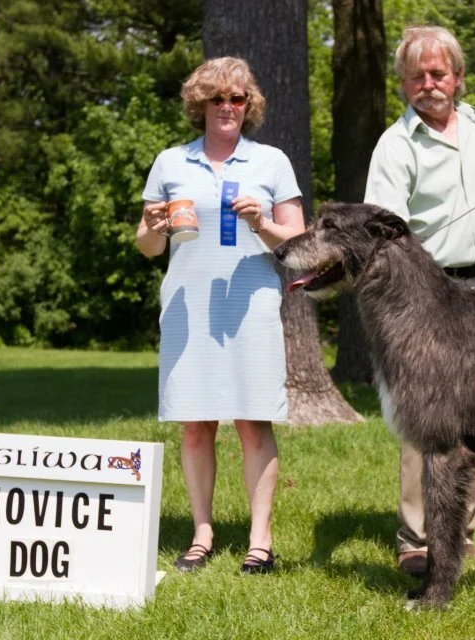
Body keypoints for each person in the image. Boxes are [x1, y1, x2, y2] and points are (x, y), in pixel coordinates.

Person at [364, 25, 475, 577]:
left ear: (457, 77)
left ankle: (459, 535)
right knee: (426, 419)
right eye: (417, 76)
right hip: (424, 299)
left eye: (438, 74)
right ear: (403, 83)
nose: (428, 84)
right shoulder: (395, 145)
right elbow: (383, 232)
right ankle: (417, 539)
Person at [137, 57, 305, 574]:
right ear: (200, 104)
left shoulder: (271, 161)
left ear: (248, 105)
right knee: (195, 425)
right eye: (217, 98)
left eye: (237, 98)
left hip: (250, 307)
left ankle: (260, 541)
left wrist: (261, 223)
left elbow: (298, 242)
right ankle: (202, 533)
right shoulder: (171, 162)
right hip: (187, 310)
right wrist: (153, 227)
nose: (228, 107)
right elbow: (147, 247)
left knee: (253, 423)